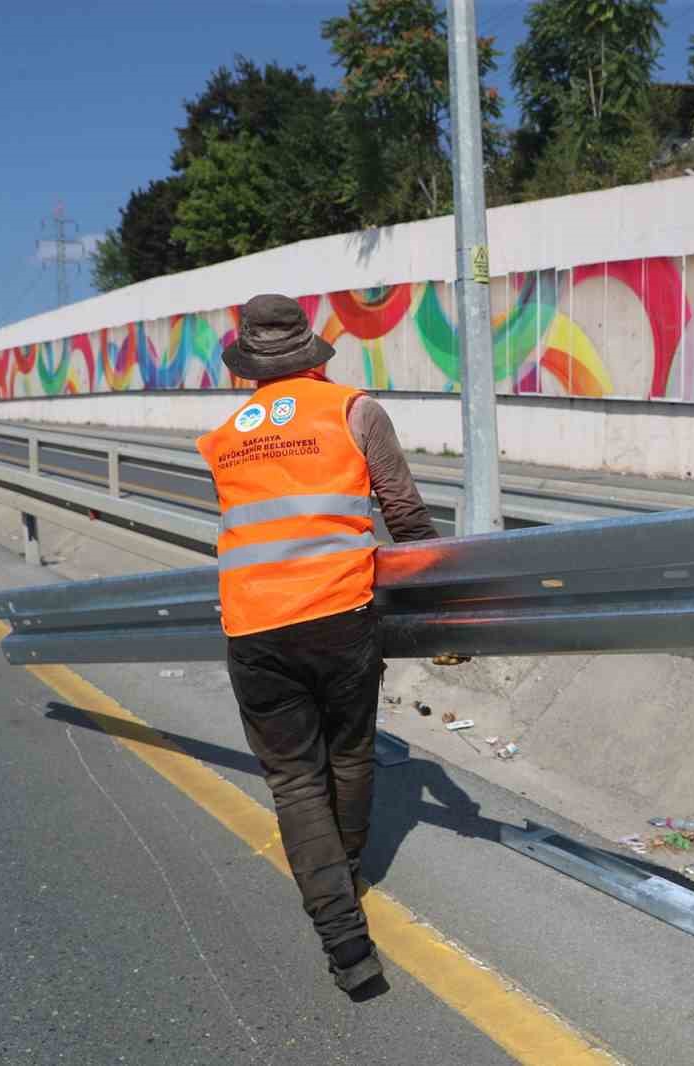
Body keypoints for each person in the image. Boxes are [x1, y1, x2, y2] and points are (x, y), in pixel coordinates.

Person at [196, 294, 440, 995]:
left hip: (252, 628)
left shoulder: (222, 437)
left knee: (294, 778)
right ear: (312, 351)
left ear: (247, 364)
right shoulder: (353, 411)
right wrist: (438, 604)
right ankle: (346, 871)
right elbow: (404, 513)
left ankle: (346, 947)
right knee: (351, 752)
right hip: (338, 615)